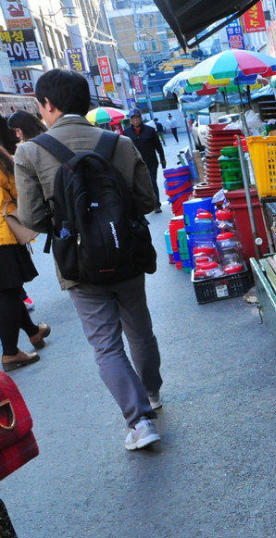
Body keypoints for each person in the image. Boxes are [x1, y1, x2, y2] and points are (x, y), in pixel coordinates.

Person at [13, 69, 163, 451]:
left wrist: (71, 227)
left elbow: (31, 218)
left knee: (106, 344)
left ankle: (139, 422)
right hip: (127, 254)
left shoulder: (30, 152)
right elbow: (148, 201)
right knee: (139, 329)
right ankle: (152, 394)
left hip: (79, 266)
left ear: (48, 105)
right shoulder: (120, 142)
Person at [0, 145, 49, 371]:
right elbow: (18, 189)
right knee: (8, 292)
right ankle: (10, 353)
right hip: (3, 236)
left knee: (9, 290)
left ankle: (32, 331)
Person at [122, 108, 166, 213]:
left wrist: (162, 159)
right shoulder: (126, 133)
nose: (136, 120)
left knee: (152, 183)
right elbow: (123, 148)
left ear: (141, 118)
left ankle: (156, 205)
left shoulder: (150, 130)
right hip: (135, 163)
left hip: (151, 162)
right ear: (130, 120)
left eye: (137, 117)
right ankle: (144, 205)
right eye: (133, 118)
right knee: (140, 185)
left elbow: (158, 146)